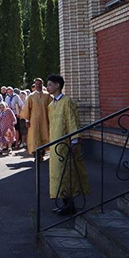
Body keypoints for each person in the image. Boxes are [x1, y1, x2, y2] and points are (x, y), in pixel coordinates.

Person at [46, 74, 90, 216]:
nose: (48, 87)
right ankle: (64, 202)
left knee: (66, 172)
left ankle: (69, 204)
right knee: (57, 174)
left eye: (50, 84)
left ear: (58, 85)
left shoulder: (67, 102)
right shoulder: (51, 105)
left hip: (65, 144)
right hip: (55, 144)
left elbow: (72, 120)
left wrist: (75, 140)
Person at [20, 78, 53, 155]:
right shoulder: (31, 96)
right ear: (35, 85)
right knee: (34, 136)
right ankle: (36, 154)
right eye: (36, 84)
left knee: (44, 135)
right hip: (34, 121)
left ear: (42, 84)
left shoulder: (47, 95)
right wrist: (27, 121)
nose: (38, 86)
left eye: (39, 84)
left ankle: (42, 152)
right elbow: (27, 109)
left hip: (45, 120)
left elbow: (52, 107)